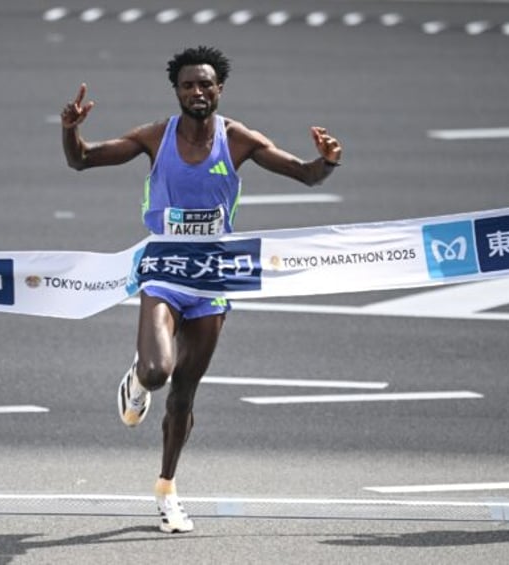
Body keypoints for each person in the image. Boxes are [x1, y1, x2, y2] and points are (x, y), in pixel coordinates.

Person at [61, 45, 342, 533]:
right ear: (176, 91)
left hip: (212, 279)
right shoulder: (155, 136)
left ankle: (167, 489)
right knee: (156, 373)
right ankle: (136, 378)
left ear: (219, 90)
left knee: (183, 395)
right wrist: (71, 131)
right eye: (188, 84)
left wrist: (327, 161)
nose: (198, 92)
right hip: (164, 271)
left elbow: (304, 174)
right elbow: (82, 161)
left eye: (206, 84)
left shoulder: (238, 141)